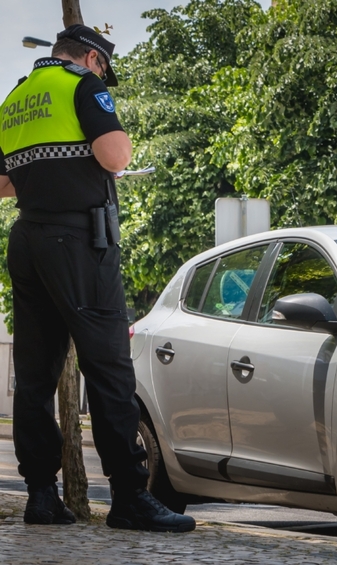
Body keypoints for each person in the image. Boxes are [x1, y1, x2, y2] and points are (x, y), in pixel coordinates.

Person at [0, 25, 195, 532]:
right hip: (80, 242)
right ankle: (130, 497)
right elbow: (116, 156)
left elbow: (2, 183)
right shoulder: (84, 85)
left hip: (28, 240)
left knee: (35, 374)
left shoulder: (16, 97)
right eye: (103, 67)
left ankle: (41, 495)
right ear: (94, 58)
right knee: (109, 368)